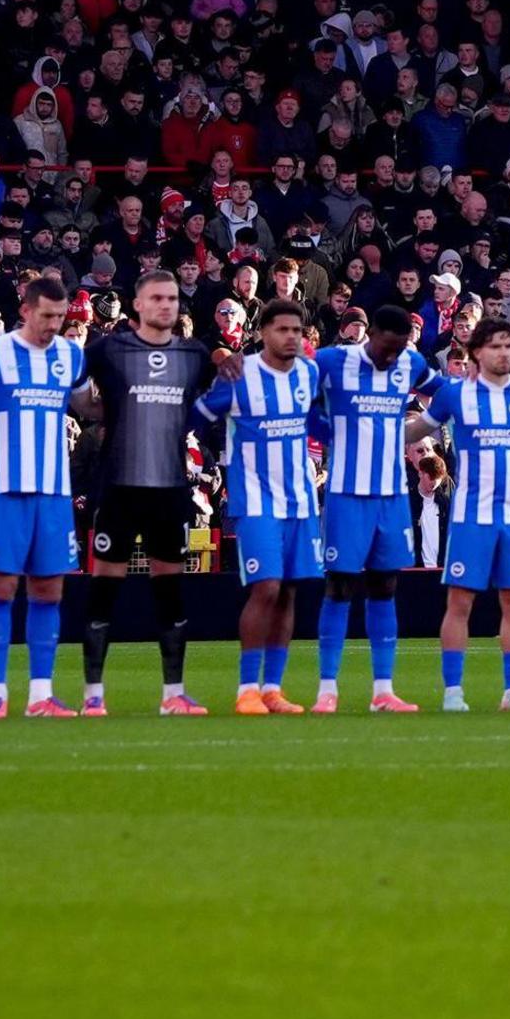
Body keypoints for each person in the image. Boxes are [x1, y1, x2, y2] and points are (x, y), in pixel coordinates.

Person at [72, 270, 207, 717]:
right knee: (103, 591)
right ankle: (93, 695)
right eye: (157, 298)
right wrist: (89, 407)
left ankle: (174, 695)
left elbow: (220, 390)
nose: (167, 305)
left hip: (169, 489)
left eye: (172, 298)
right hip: (118, 487)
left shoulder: (194, 354)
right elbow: (72, 380)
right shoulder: (108, 350)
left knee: (169, 592)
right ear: (138, 304)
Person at [0, 276, 89, 718]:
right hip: (5, 490)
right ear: (27, 310)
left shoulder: (72, 356)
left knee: (49, 590)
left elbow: (90, 406)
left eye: (61, 316)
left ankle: (40, 695)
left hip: (54, 493)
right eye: (47, 315)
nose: (54, 324)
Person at [197, 298, 324, 716]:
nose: (290, 337)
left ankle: (273, 688)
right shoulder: (239, 375)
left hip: (301, 500)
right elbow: (196, 417)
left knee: (288, 591)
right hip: (255, 499)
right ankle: (246, 689)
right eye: (282, 330)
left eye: (296, 331)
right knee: (266, 586)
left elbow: (315, 422)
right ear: (263, 333)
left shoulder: (308, 372)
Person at [307, 305, 429, 714]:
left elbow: (444, 391)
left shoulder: (411, 362)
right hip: (346, 493)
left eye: (399, 350)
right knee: (339, 587)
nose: (392, 357)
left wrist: (424, 425)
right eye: (387, 347)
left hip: (392, 495)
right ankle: (327, 689)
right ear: (370, 334)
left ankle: (383, 690)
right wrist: (324, 430)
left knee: (385, 587)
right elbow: (297, 392)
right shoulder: (332, 360)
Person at [429, 318, 510, 713]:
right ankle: (452, 692)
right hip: (470, 517)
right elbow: (420, 429)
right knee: (460, 603)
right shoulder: (454, 395)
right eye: (494, 346)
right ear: (477, 351)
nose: (503, 353)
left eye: (508, 346)